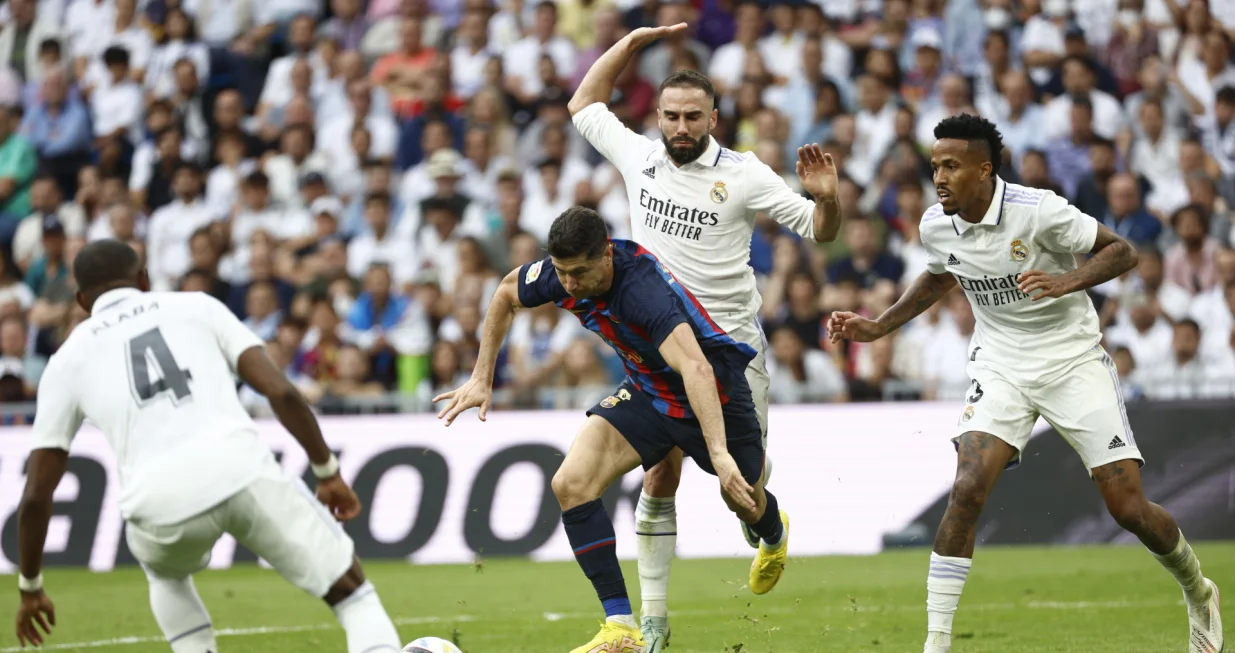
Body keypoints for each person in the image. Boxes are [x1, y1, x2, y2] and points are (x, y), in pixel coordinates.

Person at [827, 114, 1224, 653]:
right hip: (1000, 365)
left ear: (984, 169)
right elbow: (942, 272)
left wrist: (1066, 280)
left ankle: (1197, 588)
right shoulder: (936, 224)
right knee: (966, 487)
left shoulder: (1040, 211)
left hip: (1072, 361)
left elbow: (1122, 252)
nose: (939, 177)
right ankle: (937, 642)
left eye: (951, 166)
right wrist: (880, 325)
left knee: (1127, 508)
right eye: (935, 166)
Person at [567, 23, 841, 648]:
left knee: (742, 491)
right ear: (657, 116)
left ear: (714, 116)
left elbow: (819, 231)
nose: (681, 127)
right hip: (658, 351)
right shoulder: (639, 155)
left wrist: (827, 201)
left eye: (693, 116)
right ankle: (654, 625)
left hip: (728, 354)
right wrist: (633, 43)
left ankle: (770, 527)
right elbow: (583, 102)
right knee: (659, 475)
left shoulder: (744, 175)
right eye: (670, 115)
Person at [12, 240, 403, 653]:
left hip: (156, 502)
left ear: (80, 300)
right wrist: (327, 471)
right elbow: (281, 392)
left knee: (166, 577)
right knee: (353, 595)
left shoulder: (65, 361)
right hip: (241, 470)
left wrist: (31, 586)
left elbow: (38, 494)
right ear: (144, 279)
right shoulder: (197, 307)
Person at [434, 207, 790, 653]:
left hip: (714, 397)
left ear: (606, 256)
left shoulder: (642, 290)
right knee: (571, 482)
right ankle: (621, 625)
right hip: (648, 393)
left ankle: (774, 533)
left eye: (580, 272)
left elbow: (697, 368)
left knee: (745, 502)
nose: (570, 284)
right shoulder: (562, 273)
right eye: (562, 272)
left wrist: (718, 453)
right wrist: (482, 375)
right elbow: (507, 291)